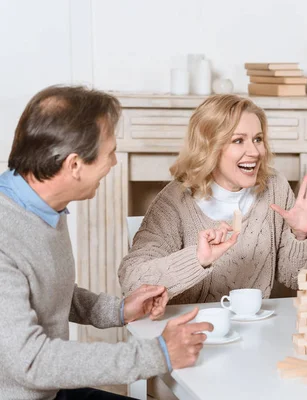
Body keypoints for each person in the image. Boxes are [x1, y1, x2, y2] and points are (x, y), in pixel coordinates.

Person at [0, 85, 214, 400]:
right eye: (109, 152)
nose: (113, 163)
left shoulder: (43, 208)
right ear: (74, 165)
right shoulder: (6, 233)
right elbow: (30, 361)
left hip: (48, 391)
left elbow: (45, 290)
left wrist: (117, 310)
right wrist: (158, 354)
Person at [118, 94, 307, 303]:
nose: (255, 151)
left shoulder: (275, 187)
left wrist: (300, 234)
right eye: (238, 140)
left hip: (254, 326)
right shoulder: (175, 201)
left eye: (258, 139)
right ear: (209, 147)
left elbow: (294, 279)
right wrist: (198, 259)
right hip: (190, 329)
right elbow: (131, 281)